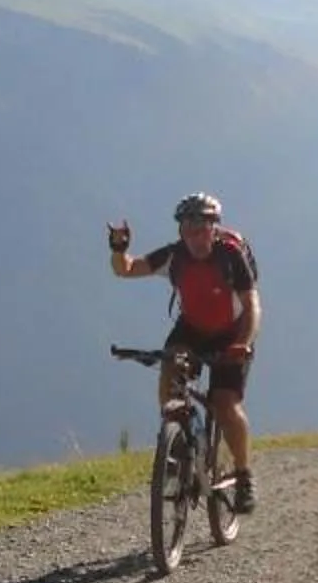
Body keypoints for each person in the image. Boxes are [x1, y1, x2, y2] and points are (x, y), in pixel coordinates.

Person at [108, 192, 263, 512]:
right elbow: (126, 270)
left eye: (201, 229)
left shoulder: (230, 256)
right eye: (188, 230)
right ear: (181, 232)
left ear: (213, 228)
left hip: (232, 332)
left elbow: (252, 305)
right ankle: (177, 445)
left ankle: (244, 475)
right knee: (170, 370)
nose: (194, 237)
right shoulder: (175, 256)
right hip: (191, 329)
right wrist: (119, 249)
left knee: (225, 403)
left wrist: (244, 343)